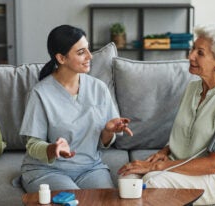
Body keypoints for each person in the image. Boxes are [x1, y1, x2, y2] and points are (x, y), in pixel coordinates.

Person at [118, 23, 215, 205]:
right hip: (182, 163)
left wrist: (156, 166)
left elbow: (214, 164)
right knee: (127, 179)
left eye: (200, 53)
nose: (191, 56)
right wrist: (165, 151)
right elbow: (185, 132)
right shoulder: (193, 88)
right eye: (192, 49)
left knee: (153, 182)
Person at [20, 25, 133, 193]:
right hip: (48, 171)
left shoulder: (99, 88)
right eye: (81, 52)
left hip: (90, 169)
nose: (89, 56)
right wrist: (53, 149)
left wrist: (109, 131)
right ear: (61, 58)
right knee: (72, 202)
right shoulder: (40, 93)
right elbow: (33, 145)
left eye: (88, 49)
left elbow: (105, 141)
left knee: (107, 202)